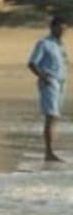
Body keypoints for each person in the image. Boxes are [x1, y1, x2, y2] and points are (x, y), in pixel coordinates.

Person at [28, 16, 68, 162]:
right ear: (52, 28)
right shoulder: (44, 43)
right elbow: (32, 63)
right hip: (50, 82)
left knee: (55, 116)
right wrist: (44, 77)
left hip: (61, 82)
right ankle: (49, 152)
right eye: (60, 28)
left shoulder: (60, 45)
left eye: (64, 29)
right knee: (51, 116)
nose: (62, 31)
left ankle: (50, 150)